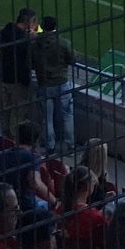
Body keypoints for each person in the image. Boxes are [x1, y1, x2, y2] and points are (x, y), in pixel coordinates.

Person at [32, 15, 76, 156]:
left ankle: (50, 146)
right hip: (61, 82)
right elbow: (72, 60)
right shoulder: (63, 43)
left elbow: (31, 62)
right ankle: (69, 144)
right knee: (67, 115)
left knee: (47, 118)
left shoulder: (35, 43)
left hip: (44, 84)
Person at [0, 7, 39, 138]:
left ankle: (5, 137)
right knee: (18, 111)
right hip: (18, 80)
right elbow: (29, 59)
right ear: (28, 22)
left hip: (4, 76)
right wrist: (31, 40)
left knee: (6, 110)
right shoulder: (22, 39)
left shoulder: (6, 31)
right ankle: (15, 139)